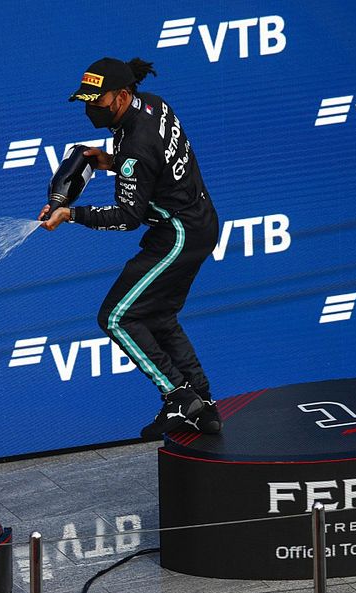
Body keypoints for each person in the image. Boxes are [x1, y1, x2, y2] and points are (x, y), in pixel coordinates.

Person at [38, 57, 221, 439]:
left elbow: (127, 217)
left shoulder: (137, 143)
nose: (90, 110)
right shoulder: (151, 103)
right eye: (85, 102)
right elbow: (147, 165)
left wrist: (71, 214)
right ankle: (204, 407)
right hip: (196, 222)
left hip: (177, 234)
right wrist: (107, 162)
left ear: (122, 95)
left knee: (116, 318)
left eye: (97, 102)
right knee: (160, 316)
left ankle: (178, 396)